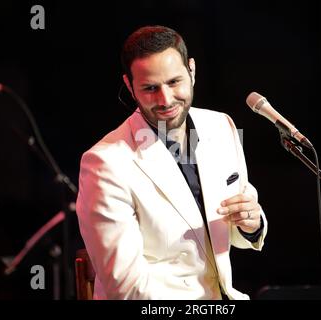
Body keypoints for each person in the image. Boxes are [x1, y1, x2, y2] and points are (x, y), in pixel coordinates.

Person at [76, 25, 268, 300]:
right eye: (150, 88)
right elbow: (126, 289)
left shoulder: (221, 125)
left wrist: (252, 224)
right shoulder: (105, 163)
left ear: (192, 70)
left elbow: (241, 226)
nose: (165, 100)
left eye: (174, 82)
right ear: (130, 86)